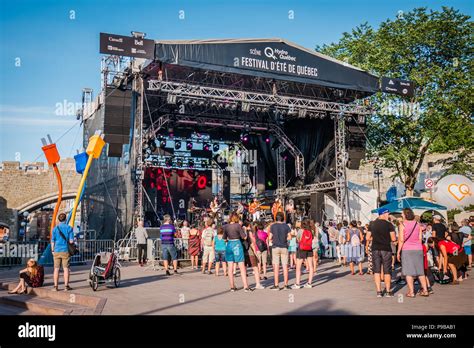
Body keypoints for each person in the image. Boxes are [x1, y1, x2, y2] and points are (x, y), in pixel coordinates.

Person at [396, 208, 429, 297]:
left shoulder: (402, 225)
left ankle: (411, 292)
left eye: (402, 214)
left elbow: (401, 240)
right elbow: (420, 238)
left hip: (407, 249)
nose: (401, 215)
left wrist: (398, 252)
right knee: (420, 271)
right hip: (418, 249)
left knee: (408, 271)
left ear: (405, 214)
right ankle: (425, 290)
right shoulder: (418, 224)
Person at [366, 208, 397, 297]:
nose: (388, 215)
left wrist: (375, 238)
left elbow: (367, 238)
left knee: (377, 270)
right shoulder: (389, 224)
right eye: (387, 213)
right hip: (386, 249)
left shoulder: (372, 224)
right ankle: (388, 291)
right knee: (387, 270)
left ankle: (379, 292)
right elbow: (393, 238)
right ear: (383, 214)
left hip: (375, 249)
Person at [223, 213, 252, 292]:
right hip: (237, 244)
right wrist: (245, 231)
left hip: (229, 245)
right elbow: (244, 237)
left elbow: (224, 239)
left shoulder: (226, 226)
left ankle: (232, 286)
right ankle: (246, 286)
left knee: (230, 267)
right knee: (241, 266)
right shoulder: (238, 226)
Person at [51, 213, 74, 291]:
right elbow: (71, 241)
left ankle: (55, 287)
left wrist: (52, 250)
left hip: (56, 250)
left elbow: (52, 241)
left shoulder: (55, 229)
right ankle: (66, 286)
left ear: (58, 219)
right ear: (65, 219)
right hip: (65, 250)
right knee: (66, 268)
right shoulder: (69, 228)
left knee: (56, 269)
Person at [269, 212, 291, 290]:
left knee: (276, 267)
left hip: (275, 247)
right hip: (284, 247)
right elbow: (289, 237)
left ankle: (276, 285)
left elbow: (270, 237)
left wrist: (273, 240)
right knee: (285, 266)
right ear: (283, 218)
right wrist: (284, 239)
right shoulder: (286, 226)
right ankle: (286, 285)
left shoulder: (273, 226)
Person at [291, 219, 315, 289]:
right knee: (311, 266)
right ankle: (309, 283)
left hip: (301, 249)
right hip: (309, 249)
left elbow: (297, 240)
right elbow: (312, 239)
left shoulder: (300, 231)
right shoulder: (311, 231)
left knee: (298, 267)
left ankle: (297, 284)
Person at [246, 225, 265, 290]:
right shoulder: (249, 232)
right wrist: (255, 251)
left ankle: (246, 286)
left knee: (243, 268)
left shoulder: (241, 231)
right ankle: (258, 284)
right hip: (250, 252)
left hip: (244, 251)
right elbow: (252, 242)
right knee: (255, 267)